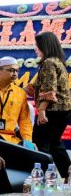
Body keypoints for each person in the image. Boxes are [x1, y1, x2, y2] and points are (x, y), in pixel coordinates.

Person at [29, 32, 71, 173]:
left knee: (40, 142)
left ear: (44, 46)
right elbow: (37, 86)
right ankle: (67, 175)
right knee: (55, 143)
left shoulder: (48, 63)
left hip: (52, 110)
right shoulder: (58, 61)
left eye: (37, 45)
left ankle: (42, 175)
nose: (36, 48)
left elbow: (49, 90)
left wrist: (41, 111)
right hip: (62, 110)